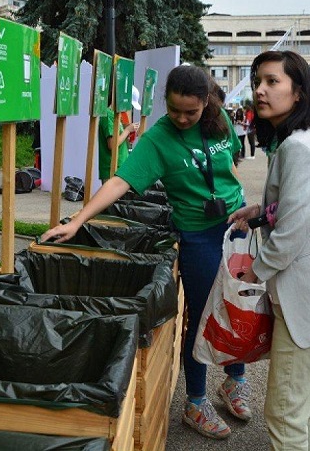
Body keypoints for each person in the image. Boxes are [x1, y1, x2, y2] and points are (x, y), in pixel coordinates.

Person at [42, 65, 248, 439]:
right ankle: (196, 401)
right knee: (202, 318)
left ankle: (235, 380)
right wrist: (77, 220)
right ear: (164, 103)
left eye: (192, 112)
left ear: (206, 103)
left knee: (239, 305)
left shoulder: (220, 123)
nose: (183, 119)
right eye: (174, 110)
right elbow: (120, 180)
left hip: (237, 229)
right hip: (198, 237)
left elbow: (232, 163)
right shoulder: (158, 139)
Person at [229, 51, 310, 451]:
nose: (260, 90)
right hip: (305, 295)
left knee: (284, 411)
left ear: (299, 92)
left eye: (272, 82)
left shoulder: (299, 147)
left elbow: (293, 229)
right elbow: (297, 208)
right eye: (258, 82)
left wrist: (257, 270)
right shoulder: (298, 141)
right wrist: (259, 212)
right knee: (300, 407)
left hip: (304, 294)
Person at [98, 105, 139, 183]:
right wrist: (127, 130)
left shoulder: (120, 115)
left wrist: (130, 132)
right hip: (112, 168)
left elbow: (121, 139)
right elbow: (112, 144)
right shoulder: (108, 115)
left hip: (121, 167)